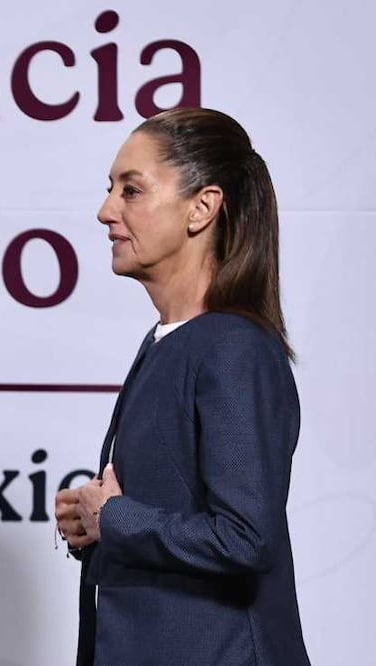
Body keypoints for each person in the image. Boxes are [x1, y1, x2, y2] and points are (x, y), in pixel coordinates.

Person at [54, 107, 309, 665]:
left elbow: (246, 538)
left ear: (202, 208)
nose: (105, 211)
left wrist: (115, 518)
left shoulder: (233, 347)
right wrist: (97, 528)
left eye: (132, 191)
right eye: (110, 189)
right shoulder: (168, 341)